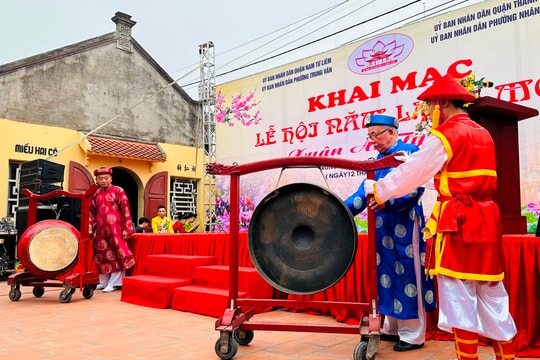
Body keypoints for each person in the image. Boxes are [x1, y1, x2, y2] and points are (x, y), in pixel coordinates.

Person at [363, 74, 517, 359]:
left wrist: (378, 189)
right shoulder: (483, 133)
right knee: (493, 294)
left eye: (430, 104)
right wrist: (417, 163)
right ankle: (506, 357)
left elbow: (414, 173)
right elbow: (450, 167)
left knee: (460, 297)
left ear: (442, 103)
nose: (429, 110)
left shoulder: (447, 134)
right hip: (487, 219)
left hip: (458, 220)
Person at [344, 114, 436, 352]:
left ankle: (413, 335)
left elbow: (416, 189)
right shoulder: (377, 160)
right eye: (369, 136)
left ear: (392, 132)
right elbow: (362, 194)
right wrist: (337, 211)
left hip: (405, 224)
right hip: (382, 229)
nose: (372, 140)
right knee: (386, 275)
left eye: (376, 135)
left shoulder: (409, 152)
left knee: (407, 275)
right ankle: (393, 329)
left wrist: (388, 203)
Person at [89, 167, 135, 293]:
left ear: (111, 179)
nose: (103, 181)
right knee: (101, 254)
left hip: (116, 228)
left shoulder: (118, 190)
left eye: (106, 178)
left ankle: (115, 282)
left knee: (117, 253)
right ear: (97, 180)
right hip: (101, 229)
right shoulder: (96, 193)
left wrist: (127, 228)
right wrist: (92, 227)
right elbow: (92, 212)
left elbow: (126, 210)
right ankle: (103, 281)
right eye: (100, 179)